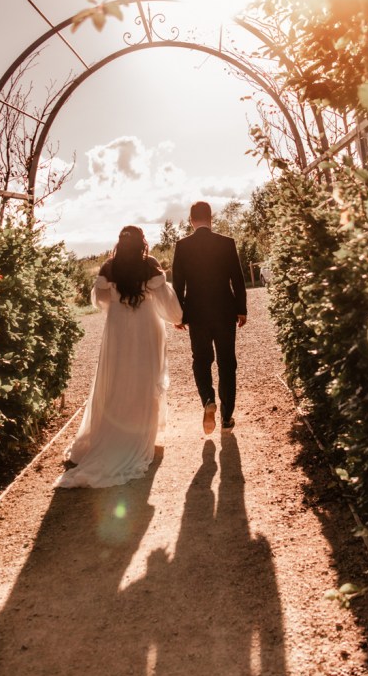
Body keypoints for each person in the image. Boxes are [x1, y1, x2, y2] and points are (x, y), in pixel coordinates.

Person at [55, 225, 183, 489]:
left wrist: (117, 301)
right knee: (145, 380)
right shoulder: (150, 264)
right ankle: (141, 435)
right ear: (142, 242)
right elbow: (165, 299)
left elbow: (99, 300)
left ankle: (113, 433)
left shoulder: (108, 267)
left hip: (118, 330)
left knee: (117, 380)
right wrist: (178, 318)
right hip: (146, 328)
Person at [172, 201, 247, 435]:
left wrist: (179, 314)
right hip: (225, 311)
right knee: (227, 362)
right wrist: (241, 308)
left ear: (191, 220)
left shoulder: (182, 246)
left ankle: (207, 399)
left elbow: (178, 285)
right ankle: (226, 417)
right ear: (210, 218)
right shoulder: (227, 243)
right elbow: (238, 278)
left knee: (201, 360)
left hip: (197, 313)